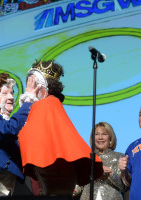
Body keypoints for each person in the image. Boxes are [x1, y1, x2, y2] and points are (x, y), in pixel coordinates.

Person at [18, 60, 103, 196]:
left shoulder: (44, 105)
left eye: (33, 84)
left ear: (42, 86)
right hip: (61, 180)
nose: (29, 87)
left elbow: (24, 138)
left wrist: (27, 101)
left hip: (53, 181)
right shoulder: (53, 104)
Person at [80, 122, 127, 200]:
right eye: (96, 134)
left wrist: (110, 173)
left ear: (110, 138)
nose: (100, 137)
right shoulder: (86, 158)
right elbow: (80, 185)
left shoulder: (119, 157)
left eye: (104, 134)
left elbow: (124, 187)